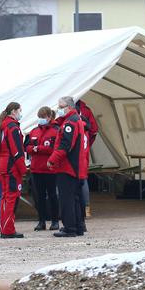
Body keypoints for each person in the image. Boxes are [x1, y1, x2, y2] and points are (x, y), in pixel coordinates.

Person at [47, 96, 89, 238]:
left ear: (69, 107)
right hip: (76, 167)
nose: (58, 109)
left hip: (68, 167)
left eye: (61, 106)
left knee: (67, 199)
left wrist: (52, 159)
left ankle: (69, 227)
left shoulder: (70, 123)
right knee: (75, 199)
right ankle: (78, 226)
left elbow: (65, 145)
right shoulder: (75, 120)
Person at [0, 102, 27, 239]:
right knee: (11, 198)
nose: (21, 113)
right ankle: (8, 229)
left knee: (5, 198)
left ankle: (5, 227)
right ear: (14, 111)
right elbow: (17, 150)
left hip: (4, 165)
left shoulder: (2, 126)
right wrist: (23, 169)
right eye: (20, 110)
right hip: (11, 166)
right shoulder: (12, 127)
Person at [25, 107, 60, 231]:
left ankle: (55, 221)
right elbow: (27, 147)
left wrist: (37, 149)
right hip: (36, 169)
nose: (41, 120)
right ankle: (41, 221)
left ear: (49, 117)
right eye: (39, 117)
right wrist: (35, 149)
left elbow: (54, 149)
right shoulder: (34, 131)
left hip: (50, 169)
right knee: (39, 197)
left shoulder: (56, 130)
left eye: (43, 117)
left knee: (52, 196)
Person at [75, 98, 98, 217]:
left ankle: (79, 209)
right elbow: (94, 130)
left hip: (76, 153)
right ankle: (86, 209)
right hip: (84, 151)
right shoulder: (86, 110)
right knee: (83, 179)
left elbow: (93, 130)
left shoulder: (83, 112)